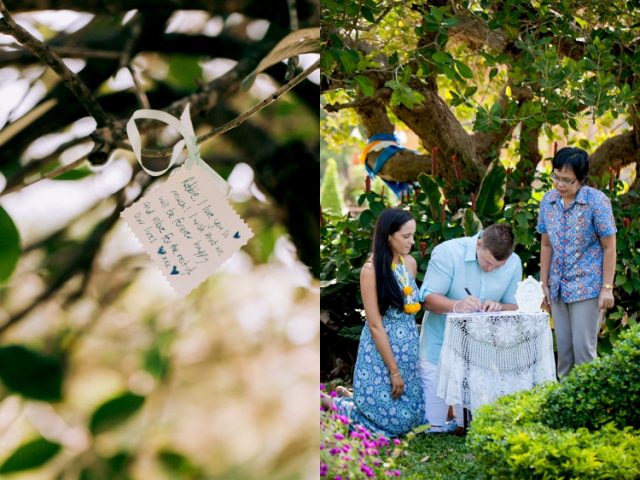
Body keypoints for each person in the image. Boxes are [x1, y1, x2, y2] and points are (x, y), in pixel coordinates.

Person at [325, 208, 426, 437]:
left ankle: (348, 399)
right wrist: (394, 371)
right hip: (381, 353)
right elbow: (375, 325)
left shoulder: (409, 263)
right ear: (388, 236)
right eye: (406, 236)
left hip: (407, 349)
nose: (412, 241)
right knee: (391, 423)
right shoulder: (370, 271)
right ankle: (333, 403)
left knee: (411, 419)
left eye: (413, 235)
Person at [418, 224, 522, 432]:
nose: (490, 269)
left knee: (474, 426)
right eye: (487, 262)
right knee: (431, 426)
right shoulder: (448, 252)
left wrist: (499, 307)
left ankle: (454, 412)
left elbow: (516, 306)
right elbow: (427, 300)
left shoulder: (514, 263)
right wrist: (456, 306)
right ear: (479, 242)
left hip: (482, 358)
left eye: (497, 267)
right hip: (439, 350)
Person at [537, 147, 617, 377]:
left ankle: (591, 410)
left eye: (567, 180)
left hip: (588, 287)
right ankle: (566, 411)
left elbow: (609, 247)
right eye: (556, 177)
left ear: (581, 180)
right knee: (564, 356)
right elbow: (546, 244)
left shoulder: (597, 202)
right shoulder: (548, 201)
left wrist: (607, 288)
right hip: (559, 288)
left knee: (584, 356)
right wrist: (544, 284)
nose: (560, 185)